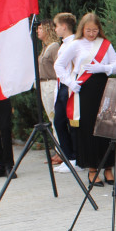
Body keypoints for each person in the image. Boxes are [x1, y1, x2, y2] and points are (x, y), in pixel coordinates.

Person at [59, 13, 116, 186]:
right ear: (82, 29)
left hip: (103, 87)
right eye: (88, 30)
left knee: (106, 127)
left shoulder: (105, 44)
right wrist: (71, 82)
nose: (92, 33)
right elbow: (59, 65)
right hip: (84, 90)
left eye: (95, 30)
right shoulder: (76, 44)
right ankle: (93, 169)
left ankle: (108, 168)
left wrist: (103, 67)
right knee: (89, 129)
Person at [50, 13, 79, 173]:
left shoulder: (74, 43)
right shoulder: (63, 44)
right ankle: (69, 156)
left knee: (69, 123)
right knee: (59, 122)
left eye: (57, 26)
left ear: (64, 26)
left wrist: (69, 84)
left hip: (69, 86)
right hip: (62, 86)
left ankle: (75, 158)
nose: (55, 29)